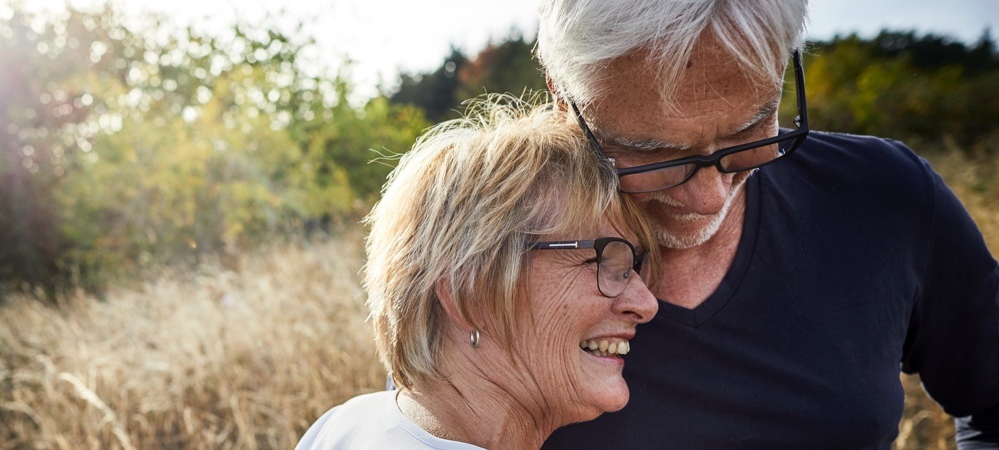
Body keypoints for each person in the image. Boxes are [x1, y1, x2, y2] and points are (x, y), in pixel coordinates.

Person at [530, 1, 999, 448]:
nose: (707, 198)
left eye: (746, 132)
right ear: (561, 96)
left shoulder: (886, 194)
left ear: (784, 65)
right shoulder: (487, 257)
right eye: (653, 152)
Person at [296, 96, 659, 450]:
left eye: (632, 266)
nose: (646, 303)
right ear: (468, 292)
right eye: (604, 263)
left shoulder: (342, 425)